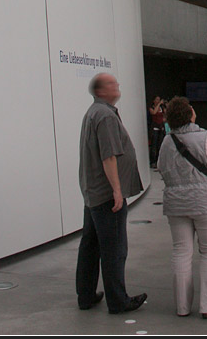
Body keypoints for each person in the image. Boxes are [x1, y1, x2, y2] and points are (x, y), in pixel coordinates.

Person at [76, 73, 147, 314]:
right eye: (112, 84)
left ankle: (85, 295)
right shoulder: (105, 116)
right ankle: (118, 301)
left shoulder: (94, 112)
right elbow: (108, 156)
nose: (117, 85)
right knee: (114, 248)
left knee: (91, 245)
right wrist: (117, 191)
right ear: (100, 91)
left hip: (93, 192)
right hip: (106, 195)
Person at [158, 96, 207, 319]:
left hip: (176, 204)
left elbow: (161, 168)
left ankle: (182, 307)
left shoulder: (166, 142)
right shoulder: (204, 137)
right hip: (204, 203)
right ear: (190, 113)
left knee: (181, 252)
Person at [148, 96, 166, 168]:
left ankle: (159, 162)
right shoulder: (151, 108)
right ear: (154, 101)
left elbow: (165, 116)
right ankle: (153, 161)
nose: (158, 101)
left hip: (161, 127)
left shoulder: (162, 108)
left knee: (160, 145)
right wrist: (159, 104)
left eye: (159, 100)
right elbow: (154, 113)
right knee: (154, 146)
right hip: (154, 128)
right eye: (157, 100)